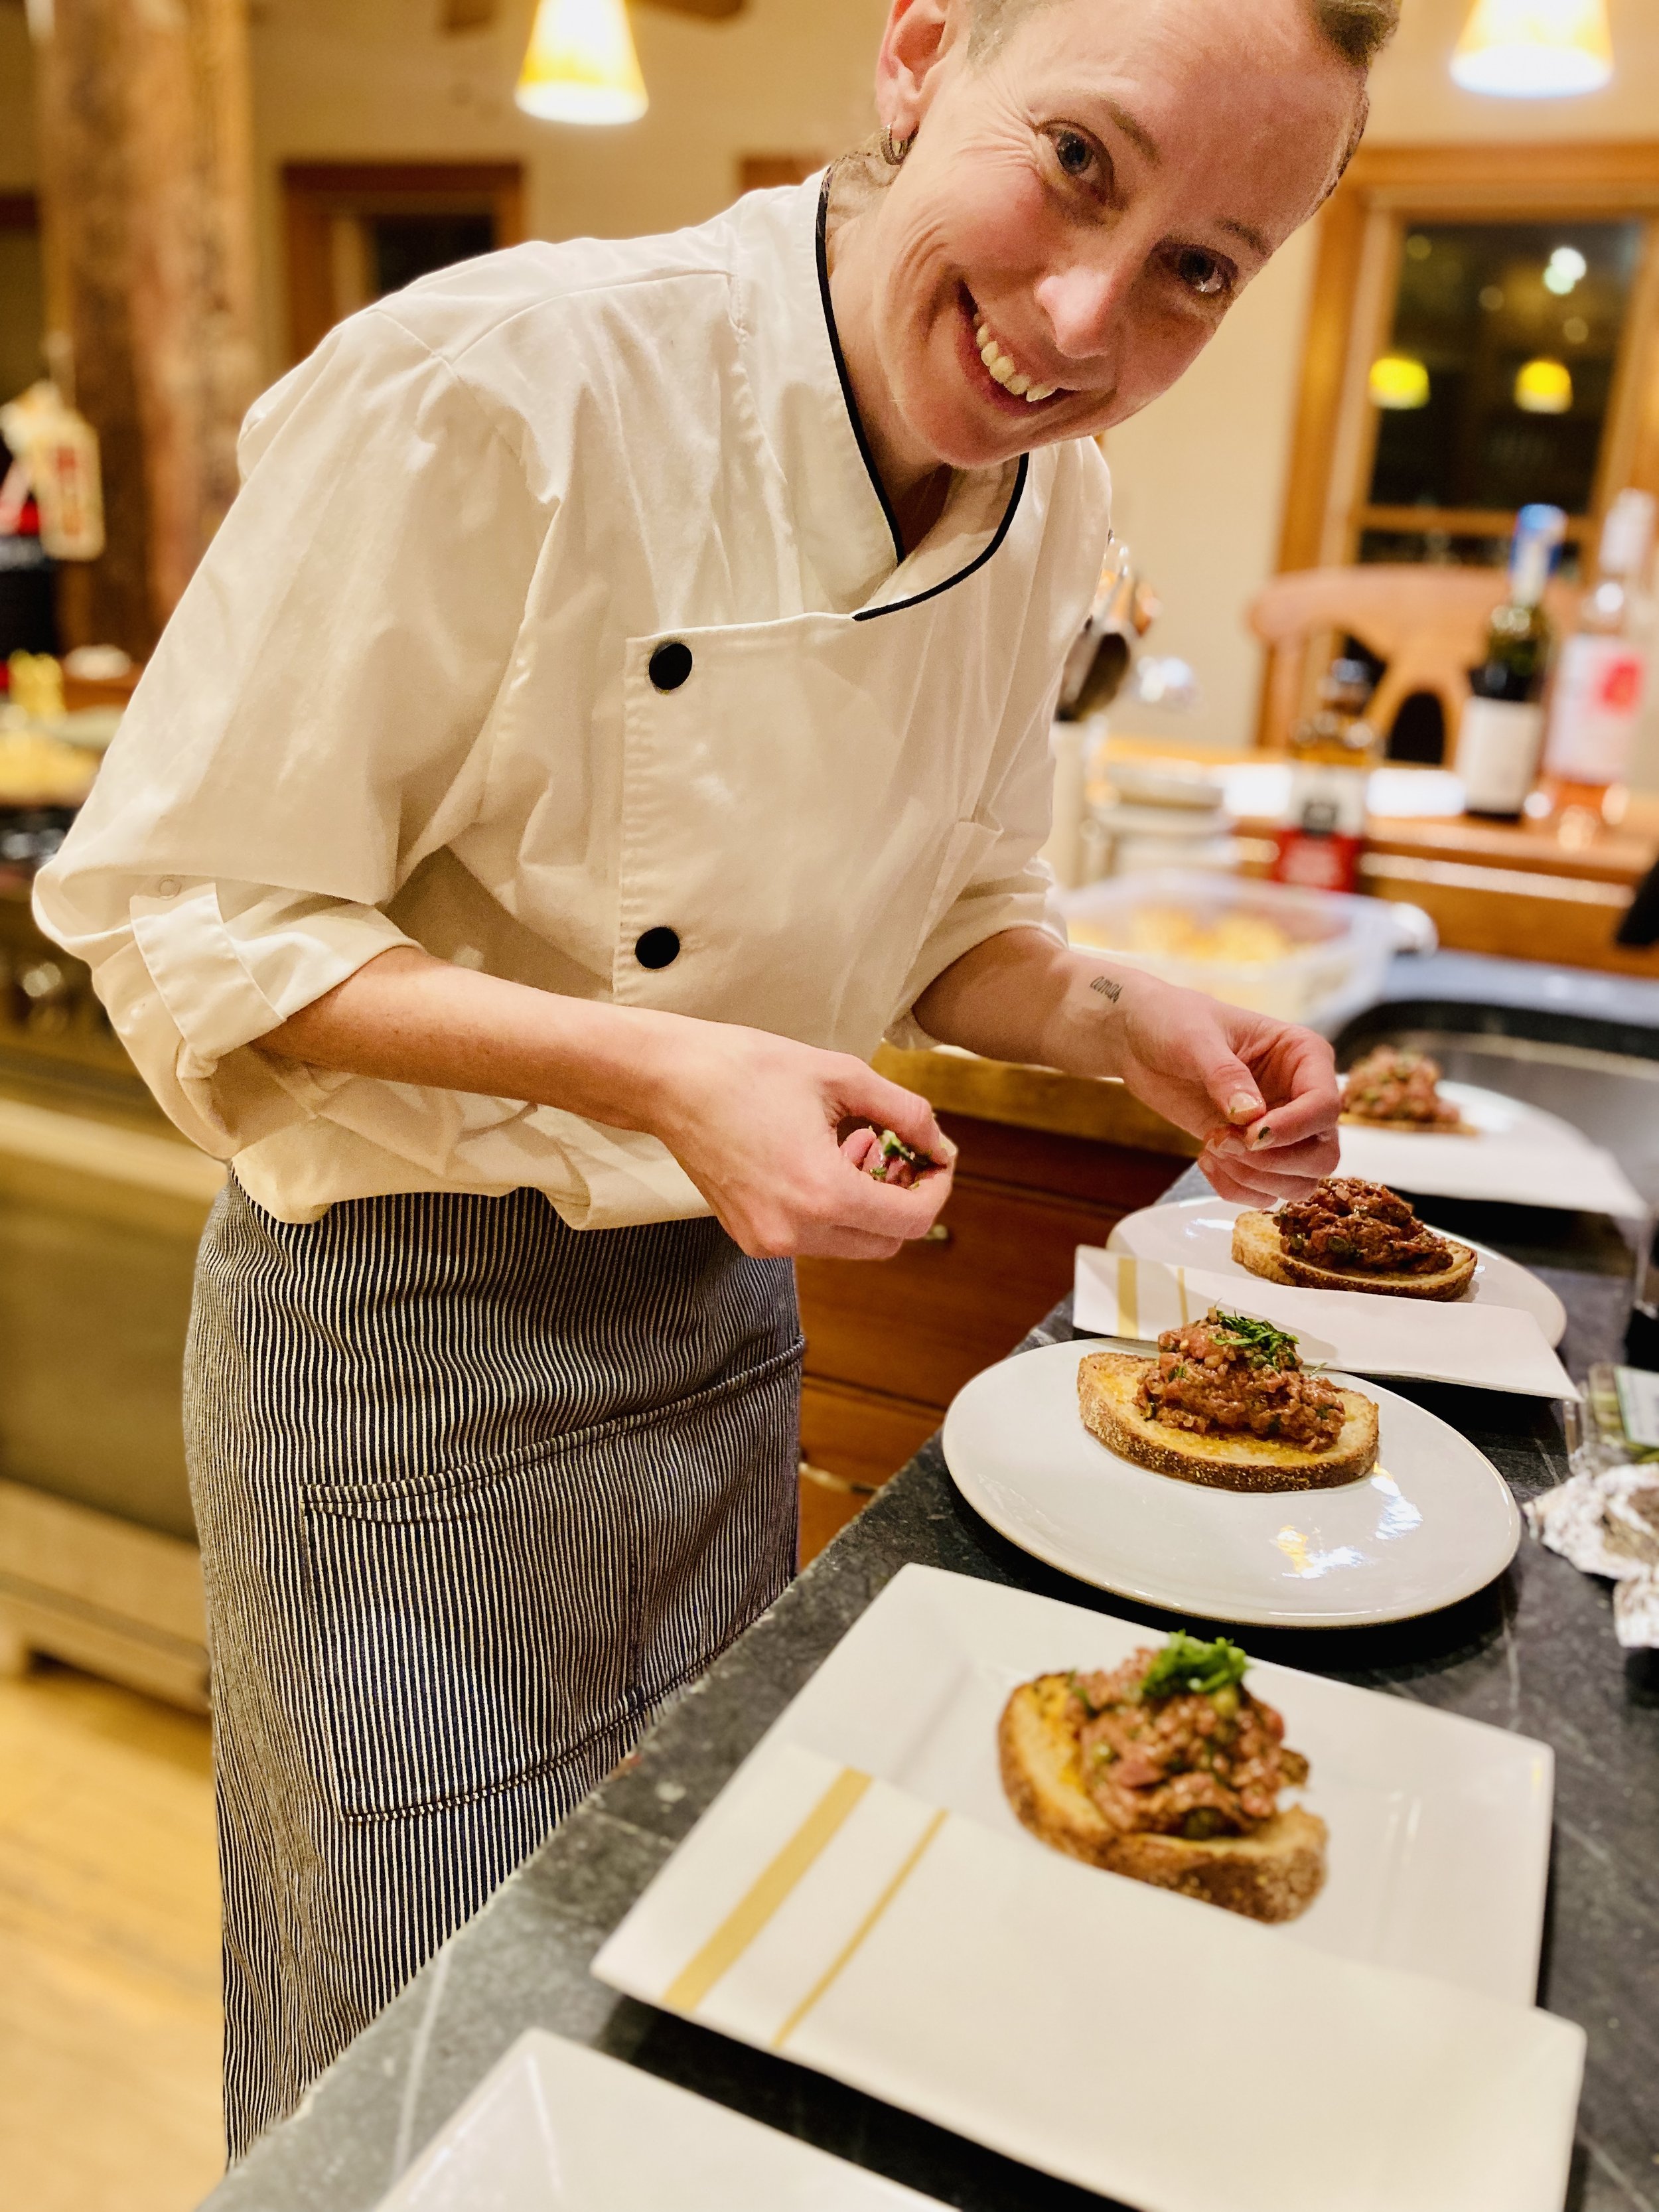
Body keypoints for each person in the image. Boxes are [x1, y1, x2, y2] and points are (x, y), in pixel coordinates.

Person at [35, 0, 1395, 2155]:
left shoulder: (1049, 501)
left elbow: (952, 907)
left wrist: (1116, 1012)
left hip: (729, 1331)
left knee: (663, 1994)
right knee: (404, 2064)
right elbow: (182, 913)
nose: (1078, 318)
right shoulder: (503, 382)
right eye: (1073, 164)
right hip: (405, 1350)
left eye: (1197, 271)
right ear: (918, 57)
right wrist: (654, 1068)